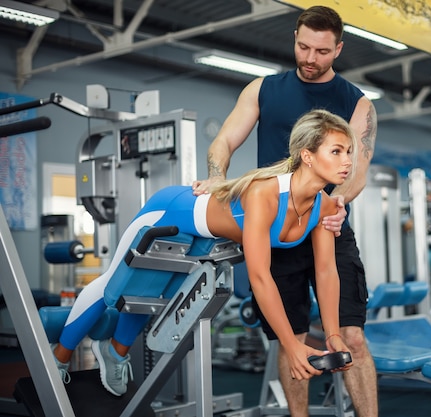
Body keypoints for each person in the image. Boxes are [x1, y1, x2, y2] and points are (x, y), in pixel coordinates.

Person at [52, 109, 354, 396]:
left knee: (150, 293)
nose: (347, 160)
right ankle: (59, 357)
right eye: (337, 151)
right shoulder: (266, 193)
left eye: (349, 151)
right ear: (307, 156)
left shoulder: (324, 206)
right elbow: (260, 276)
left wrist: (333, 334)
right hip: (170, 212)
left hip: (205, 237)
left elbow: (326, 271)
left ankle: (114, 352)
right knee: (112, 282)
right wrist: (291, 345)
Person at [192, 6, 378, 417]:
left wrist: (338, 202)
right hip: (273, 225)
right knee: (290, 337)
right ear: (294, 37)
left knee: (353, 336)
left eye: (322, 52)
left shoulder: (357, 102)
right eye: (303, 47)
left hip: (327, 221)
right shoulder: (262, 89)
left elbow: (358, 169)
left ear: (339, 49)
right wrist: (216, 176)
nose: (310, 59)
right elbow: (223, 141)